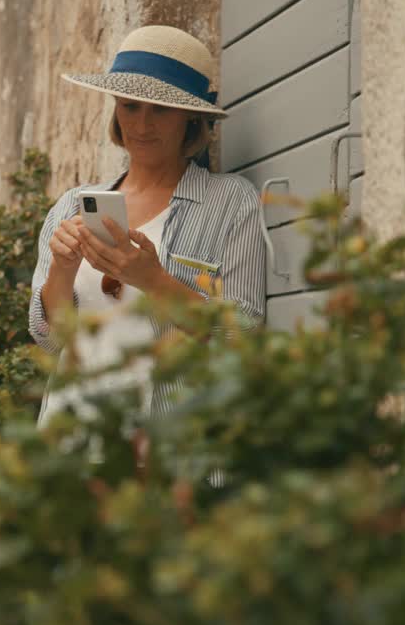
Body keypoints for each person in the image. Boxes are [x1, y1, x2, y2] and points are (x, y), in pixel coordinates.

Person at [30, 25, 266, 432]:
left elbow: (241, 334)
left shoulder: (231, 202)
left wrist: (152, 280)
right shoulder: (72, 204)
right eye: (130, 106)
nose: (142, 125)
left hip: (172, 446)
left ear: (192, 115)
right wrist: (62, 269)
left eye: (161, 109)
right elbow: (51, 340)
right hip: (72, 445)